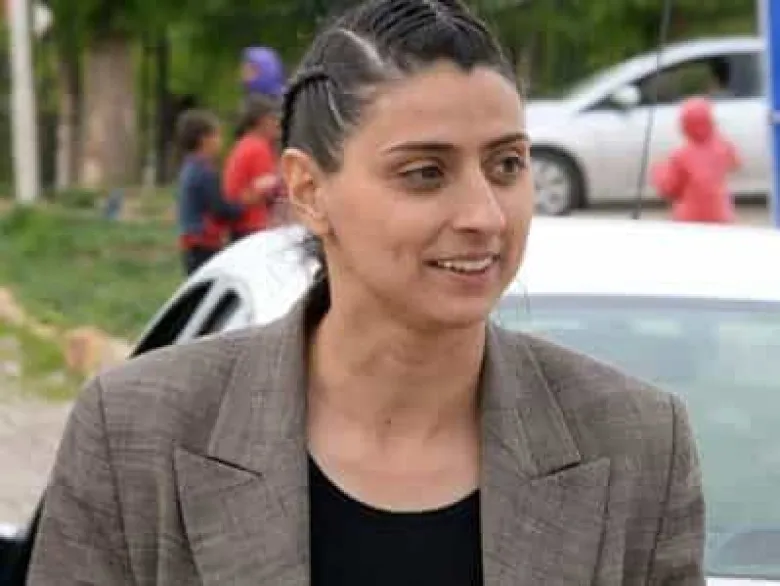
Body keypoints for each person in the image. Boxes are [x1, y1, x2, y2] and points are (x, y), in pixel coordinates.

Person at [27, 1, 705, 584]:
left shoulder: (635, 442)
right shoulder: (137, 432)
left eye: (507, 165)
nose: (485, 216)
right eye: (425, 172)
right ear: (308, 190)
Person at [172, 109, 251, 275]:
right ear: (204, 139)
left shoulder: (189, 167)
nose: (220, 141)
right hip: (204, 244)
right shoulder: (204, 172)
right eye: (217, 135)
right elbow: (220, 209)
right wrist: (247, 202)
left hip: (191, 244)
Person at [652, 96, 740, 224]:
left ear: (685, 126)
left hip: (691, 219)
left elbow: (669, 188)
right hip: (720, 216)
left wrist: (658, 173)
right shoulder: (723, 146)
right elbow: (735, 163)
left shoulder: (681, 156)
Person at [222, 95, 284, 242]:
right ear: (261, 121)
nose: (277, 123)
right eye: (273, 118)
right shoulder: (258, 148)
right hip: (253, 227)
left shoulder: (243, 145)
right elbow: (263, 191)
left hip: (239, 227)